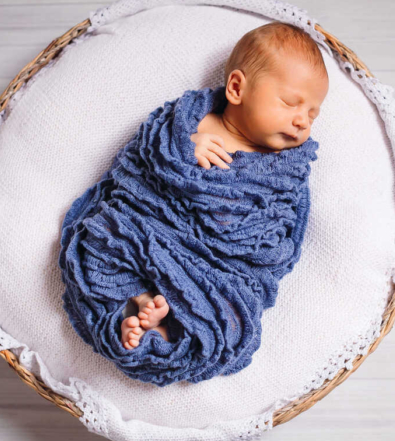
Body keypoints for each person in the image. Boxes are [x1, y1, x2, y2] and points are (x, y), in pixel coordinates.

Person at [121, 21, 329, 350]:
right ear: (236, 88)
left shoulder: (285, 169)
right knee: (104, 233)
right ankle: (140, 298)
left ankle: (169, 327)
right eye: (291, 102)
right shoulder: (194, 121)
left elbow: (288, 228)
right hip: (157, 230)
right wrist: (186, 147)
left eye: (313, 114)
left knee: (233, 318)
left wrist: (250, 242)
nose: (303, 120)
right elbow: (149, 155)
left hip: (219, 266)